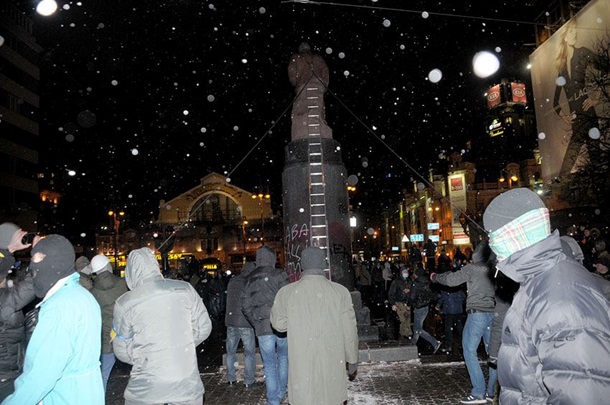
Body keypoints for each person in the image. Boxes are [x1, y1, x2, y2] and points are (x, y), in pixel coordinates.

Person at [483, 187, 610, 405]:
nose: (492, 246)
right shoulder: (540, 280)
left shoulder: (559, 298)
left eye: (492, 236)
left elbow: (583, 392)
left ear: (509, 236)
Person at [2, 234, 104, 405]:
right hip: (84, 393)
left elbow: (41, 374)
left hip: (64, 397)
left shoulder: (59, 306)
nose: (34, 266)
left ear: (58, 261)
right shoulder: (79, 295)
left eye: (40, 259)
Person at [112, 247, 212, 405]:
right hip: (185, 382)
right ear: (154, 265)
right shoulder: (185, 289)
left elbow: (121, 348)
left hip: (146, 387)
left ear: (130, 272)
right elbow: (204, 328)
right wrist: (179, 346)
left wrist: (144, 356)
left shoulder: (125, 303)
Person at [270, 247, 359, 405]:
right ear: (323, 264)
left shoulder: (287, 292)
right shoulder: (340, 292)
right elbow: (349, 330)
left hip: (302, 361)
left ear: (302, 265)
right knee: (330, 396)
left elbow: (279, 325)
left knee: (305, 396)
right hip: (332, 360)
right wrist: (352, 358)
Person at [431, 242, 497, 404]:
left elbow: (451, 280)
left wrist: (435, 276)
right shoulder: (495, 268)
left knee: (469, 350)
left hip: (477, 314)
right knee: (493, 353)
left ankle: (478, 392)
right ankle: (491, 391)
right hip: (494, 313)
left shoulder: (472, 268)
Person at [553, 20, 602, 178]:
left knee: (597, 161)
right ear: (565, 37)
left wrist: (596, 98)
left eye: (576, 31)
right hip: (576, 119)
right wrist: (565, 117)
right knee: (567, 167)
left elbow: (605, 67)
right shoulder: (561, 67)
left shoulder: (582, 52)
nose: (575, 34)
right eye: (572, 31)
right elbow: (555, 102)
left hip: (589, 115)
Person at [241, 245, 289, 405]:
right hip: (281, 326)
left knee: (269, 364)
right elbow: (288, 300)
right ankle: (282, 391)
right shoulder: (280, 274)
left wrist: (256, 322)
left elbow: (245, 305)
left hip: (263, 327)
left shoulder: (250, 278)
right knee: (283, 357)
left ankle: (273, 399)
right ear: (273, 259)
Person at [0, 223, 36, 401]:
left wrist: (8, 249)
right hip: (5, 376)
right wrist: (37, 258)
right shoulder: (4, 301)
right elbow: (29, 287)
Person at [89, 253, 128, 392]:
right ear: (108, 266)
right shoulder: (123, 284)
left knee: (103, 376)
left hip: (106, 340)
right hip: (127, 336)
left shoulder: (92, 292)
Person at [224, 261, 260, 388]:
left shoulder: (233, 281)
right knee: (249, 353)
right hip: (245, 322)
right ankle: (248, 381)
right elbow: (251, 302)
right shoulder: (250, 281)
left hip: (231, 321)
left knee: (230, 352)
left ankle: (230, 379)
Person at [408, 266, 441, 353]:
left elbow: (412, 296)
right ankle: (412, 345)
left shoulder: (416, 284)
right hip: (426, 307)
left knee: (417, 329)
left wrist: (409, 304)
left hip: (418, 307)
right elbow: (434, 294)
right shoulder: (427, 282)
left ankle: (434, 342)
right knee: (417, 327)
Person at [435, 286, 465, 353]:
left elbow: (443, 297)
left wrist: (438, 305)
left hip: (449, 310)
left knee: (448, 329)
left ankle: (448, 346)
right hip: (458, 310)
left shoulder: (445, 287)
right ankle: (464, 344)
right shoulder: (458, 287)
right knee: (460, 328)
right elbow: (463, 298)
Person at [387, 266, 412, 340]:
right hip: (399, 302)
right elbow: (391, 293)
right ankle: (405, 334)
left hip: (407, 303)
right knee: (403, 319)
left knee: (407, 318)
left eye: (406, 272)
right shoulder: (396, 282)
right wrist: (393, 304)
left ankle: (405, 334)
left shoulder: (409, 281)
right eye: (404, 272)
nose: (405, 273)